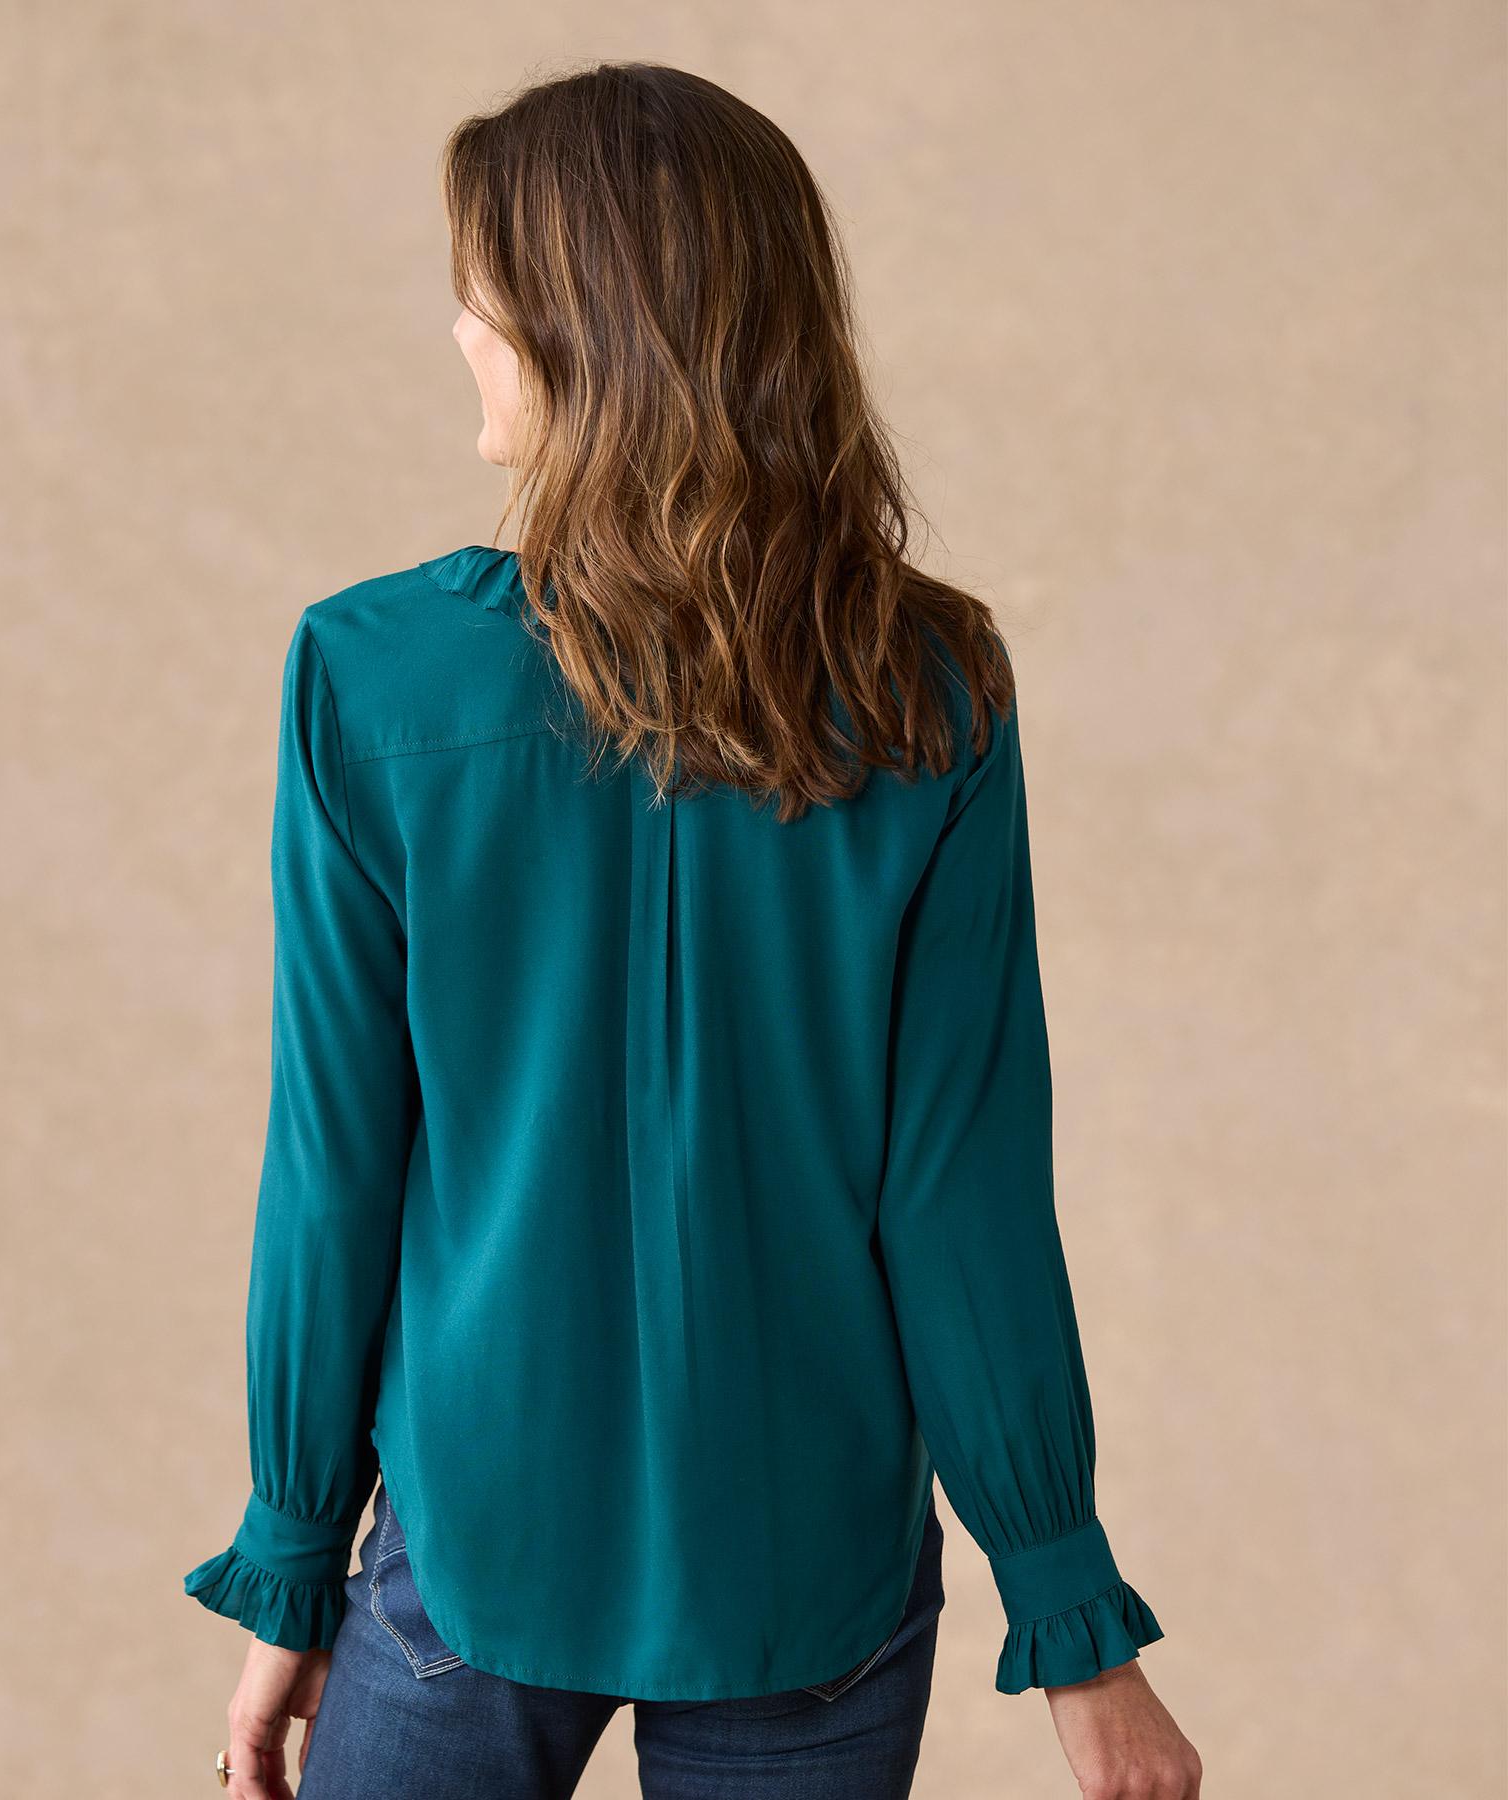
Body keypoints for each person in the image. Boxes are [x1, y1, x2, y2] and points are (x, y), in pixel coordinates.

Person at [183, 59, 1203, 1800]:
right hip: (812, 1561)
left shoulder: (371, 675)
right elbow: (958, 1197)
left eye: (483, 293)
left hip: (473, 1544)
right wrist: (1072, 1620)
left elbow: (336, 1166)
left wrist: (293, 1553)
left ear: (585, 332)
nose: (460, 331)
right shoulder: (928, 688)